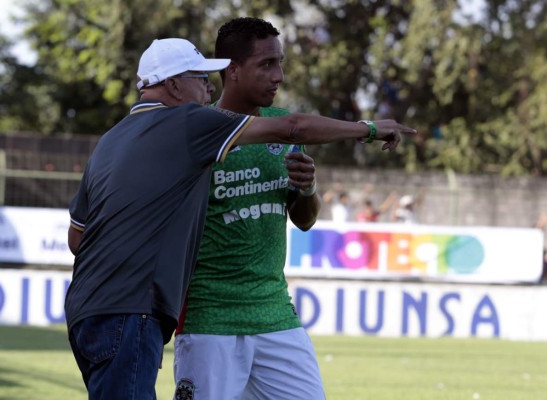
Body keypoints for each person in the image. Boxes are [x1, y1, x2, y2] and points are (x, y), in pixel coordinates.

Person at [65, 37, 416, 399]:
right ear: (171, 84)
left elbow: (77, 239)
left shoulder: (109, 140)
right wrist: (369, 128)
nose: (207, 86)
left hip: (87, 312)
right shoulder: (187, 121)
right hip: (135, 310)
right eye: (200, 77)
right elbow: (293, 127)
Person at [173, 18, 323, 399]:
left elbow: (304, 221)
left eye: (280, 62)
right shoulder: (196, 130)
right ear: (233, 70)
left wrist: (307, 189)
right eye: (267, 64)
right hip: (210, 319)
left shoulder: (284, 129)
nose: (280, 75)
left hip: (275, 314)